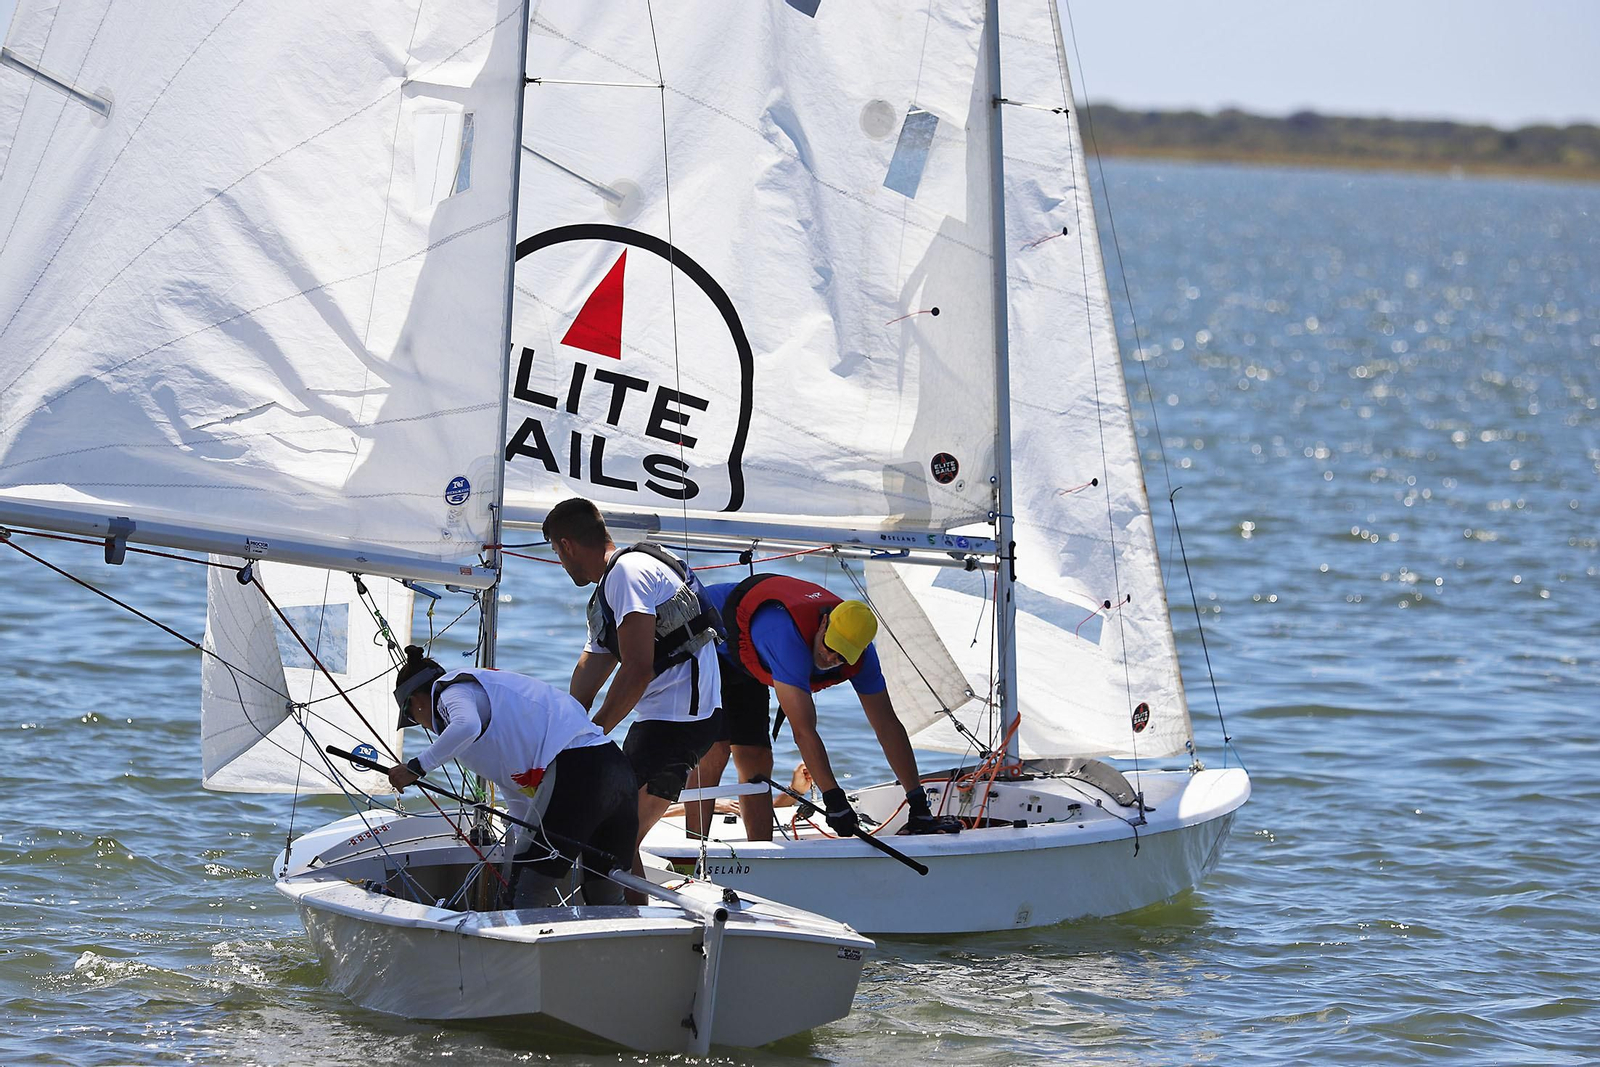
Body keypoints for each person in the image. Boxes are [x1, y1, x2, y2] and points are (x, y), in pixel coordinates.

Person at [690, 574, 961, 842]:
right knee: (715, 750)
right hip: (705, 637)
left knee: (757, 758)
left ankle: (760, 850)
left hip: (745, 659)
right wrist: (834, 797)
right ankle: (691, 852)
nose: (831, 658)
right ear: (823, 624)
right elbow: (803, 732)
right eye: (831, 647)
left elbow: (887, 726)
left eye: (843, 656)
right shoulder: (786, 637)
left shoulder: (863, 657)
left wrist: (918, 804)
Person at [541, 497, 724, 880]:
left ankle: (634, 926)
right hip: (660, 720)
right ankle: (627, 916)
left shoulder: (629, 573)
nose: (559, 562)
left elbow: (638, 670)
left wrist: (591, 736)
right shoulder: (615, 582)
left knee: (611, 842)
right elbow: (592, 667)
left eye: (556, 552)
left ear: (567, 545)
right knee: (613, 839)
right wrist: (560, 734)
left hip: (677, 724)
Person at [385, 645, 638, 907]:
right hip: (617, 772)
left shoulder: (451, 691)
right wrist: (520, 849)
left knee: (523, 898)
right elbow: (519, 798)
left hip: (579, 773)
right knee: (606, 900)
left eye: (411, 717)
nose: (421, 725)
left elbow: (466, 725)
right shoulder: (497, 723)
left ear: (416, 701)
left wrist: (416, 767)